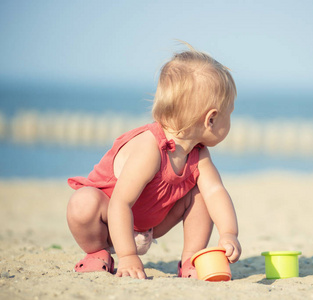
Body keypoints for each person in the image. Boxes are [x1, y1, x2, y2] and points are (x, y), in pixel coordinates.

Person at [66, 42, 241, 280]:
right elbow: (120, 203)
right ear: (211, 119)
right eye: (229, 113)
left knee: (201, 194)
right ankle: (98, 252)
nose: (230, 121)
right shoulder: (150, 148)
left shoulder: (199, 154)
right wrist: (128, 256)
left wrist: (229, 233)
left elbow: (216, 192)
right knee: (82, 202)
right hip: (110, 219)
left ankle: (190, 258)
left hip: (151, 221)